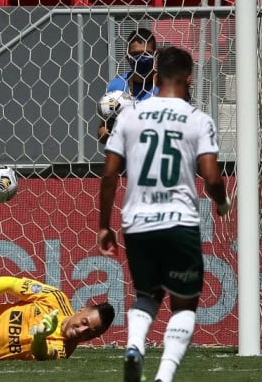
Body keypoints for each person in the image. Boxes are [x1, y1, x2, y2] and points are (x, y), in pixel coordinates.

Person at [97, 46, 231, 382]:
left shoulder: (130, 115)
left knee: (147, 295)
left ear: (155, 77)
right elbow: (211, 176)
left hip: (137, 221)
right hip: (179, 221)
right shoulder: (198, 119)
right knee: (184, 304)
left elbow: (110, 174)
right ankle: (164, 376)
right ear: (190, 80)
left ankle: (134, 345)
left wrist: (104, 226)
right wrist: (221, 201)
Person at [98, 28, 159, 144]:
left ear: (155, 55)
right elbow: (101, 132)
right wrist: (111, 130)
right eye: (135, 54)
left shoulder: (167, 85)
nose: (141, 58)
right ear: (127, 56)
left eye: (146, 54)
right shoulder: (116, 86)